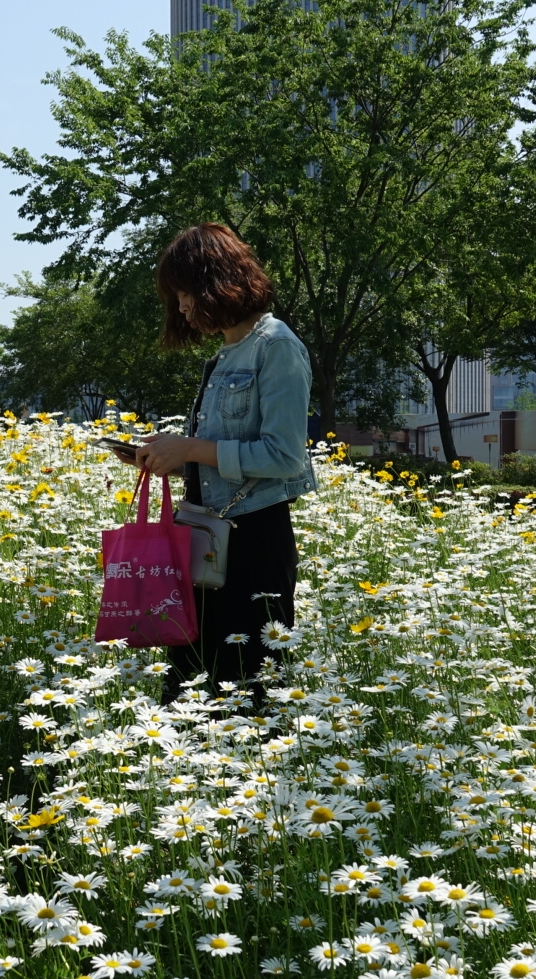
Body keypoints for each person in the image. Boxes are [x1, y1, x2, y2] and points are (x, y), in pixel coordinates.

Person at [126, 223, 316, 705]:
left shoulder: (277, 346)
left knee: (250, 690)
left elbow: (285, 455)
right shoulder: (225, 355)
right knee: (187, 686)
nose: (182, 307)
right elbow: (219, 453)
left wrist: (189, 449)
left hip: (254, 542)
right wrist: (171, 458)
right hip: (204, 535)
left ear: (214, 281)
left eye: (185, 293)